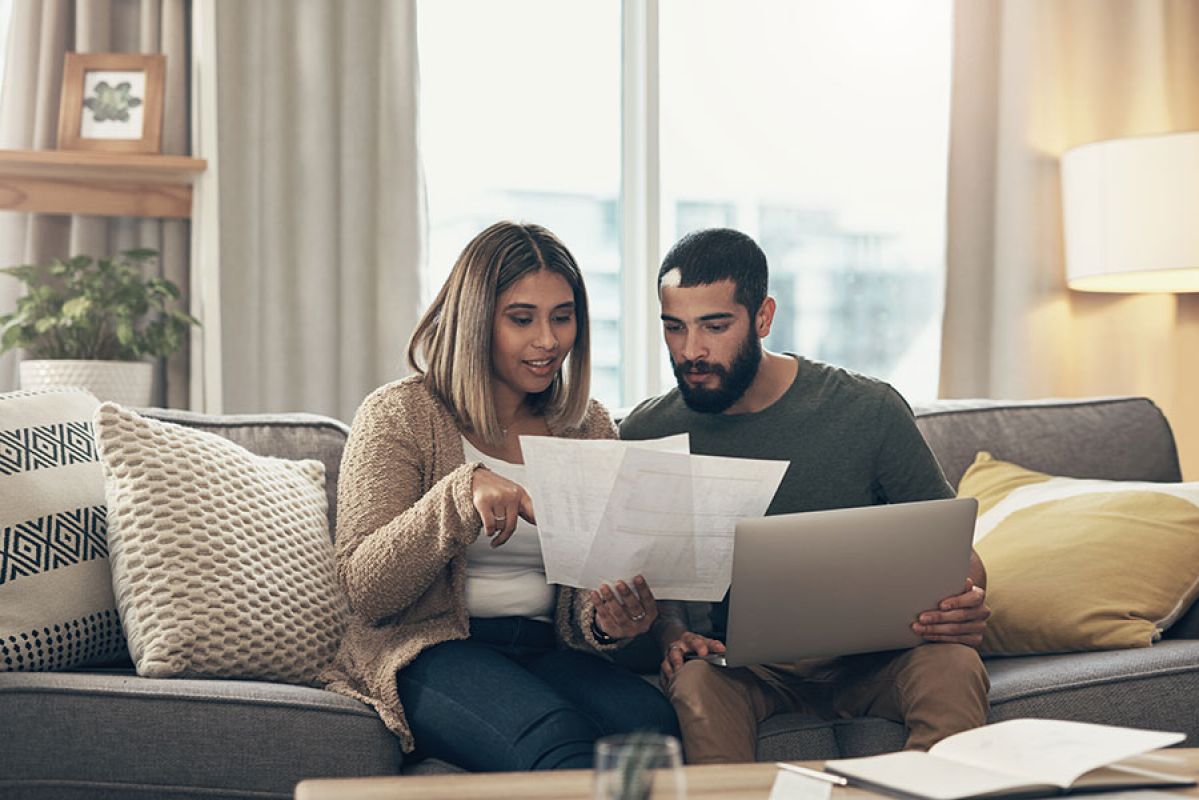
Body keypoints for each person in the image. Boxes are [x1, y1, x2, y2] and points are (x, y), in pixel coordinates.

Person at [620, 228, 991, 764]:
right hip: (740, 669)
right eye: (674, 328)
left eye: (714, 326)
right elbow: (644, 580)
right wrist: (671, 632)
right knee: (695, 683)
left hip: (877, 660)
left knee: (953, 666)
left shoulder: (868, 410)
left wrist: (965, 602)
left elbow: (963, 560)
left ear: (764, 317)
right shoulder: (646, 432)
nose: (691, 351)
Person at [321, 221, 678, 772]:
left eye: (563, 316)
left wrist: (606, 620)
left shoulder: (587, 427)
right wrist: (461, 495)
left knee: (650, 722)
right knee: (559, 741)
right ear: (475, 322)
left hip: (543, 649)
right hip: (428, 649)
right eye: (521, 319)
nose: (548, 340)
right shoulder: (399, 415)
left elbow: (584, 588)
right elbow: (365, 588)